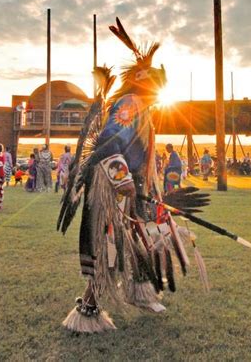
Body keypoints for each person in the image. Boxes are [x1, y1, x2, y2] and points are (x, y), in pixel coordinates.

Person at [57, 18, 205, 332]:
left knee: (147, 238)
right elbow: (111, 141)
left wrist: (146, 186)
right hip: (113, 187)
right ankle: (87, 312)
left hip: (135, 187)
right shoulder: (130, 104)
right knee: (111, 247)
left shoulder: (143, 109)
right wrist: (121, 178)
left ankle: (140, 290)